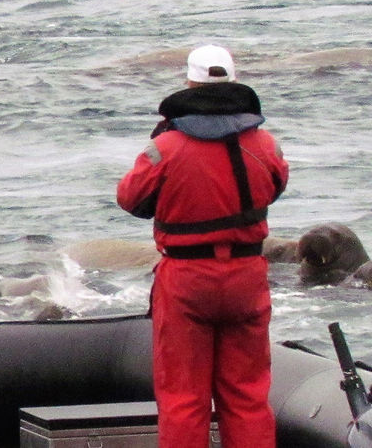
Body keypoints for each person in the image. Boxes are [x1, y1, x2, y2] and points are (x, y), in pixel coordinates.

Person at [117, 45, 288, 448]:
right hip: (247, 276)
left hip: (187, 278)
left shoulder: (167, 147)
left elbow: (129, 197)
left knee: (183, 398)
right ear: (233, 79)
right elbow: (276, 185)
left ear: (189, 82)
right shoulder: (265, 144)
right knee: (248, 395)